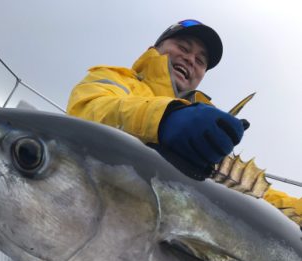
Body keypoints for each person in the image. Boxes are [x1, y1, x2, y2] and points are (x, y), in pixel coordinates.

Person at [67, 19, 302, 227]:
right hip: (96, 215)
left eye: (201, 61)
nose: (190, 59)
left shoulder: (202, 124)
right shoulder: (115, 80)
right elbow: (89, 110)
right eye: (183, 48)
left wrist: (297, 211)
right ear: (155, 49)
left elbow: (241, 185)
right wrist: (165, 118)